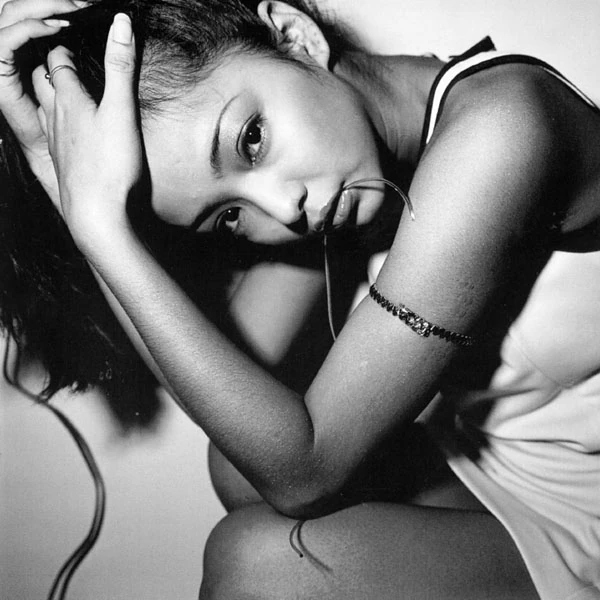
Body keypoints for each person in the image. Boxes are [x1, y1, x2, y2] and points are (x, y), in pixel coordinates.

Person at [1, 0, 599, 598]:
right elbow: (239, 411)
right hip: (514, 477)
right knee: (235, 469)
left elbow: (303, 471)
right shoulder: (340, 177)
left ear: (296, 35)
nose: (282, 209)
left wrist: (104, 235)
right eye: (229, 216)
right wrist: (72, 195)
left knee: (256, 568)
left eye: (251, 140)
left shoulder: (502, 124)